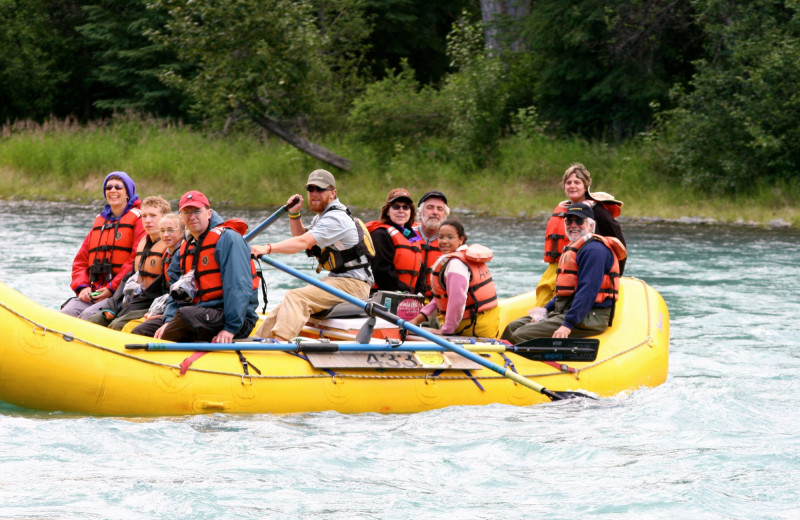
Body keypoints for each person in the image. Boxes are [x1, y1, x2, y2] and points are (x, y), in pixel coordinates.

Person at [251, 169, 374, 341]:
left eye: (320, 189)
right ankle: (256, 343)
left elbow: (302, 243)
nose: (314, 194)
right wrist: (294, 213)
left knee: (296, 297)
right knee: (283, 306)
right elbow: (300, 236)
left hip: (353, 285)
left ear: (333, 193)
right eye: (311, 189)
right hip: (338, 281)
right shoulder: (323, 217)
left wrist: (267, 248)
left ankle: (279, 343)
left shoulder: (336, 219)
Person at [503, 203, 627, 343]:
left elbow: (587, 292)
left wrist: (568, 325)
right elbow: (566, 293)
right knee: (513, 327)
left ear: (591, 226)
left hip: (589, 317)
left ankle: (518, 363)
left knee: (521, 334)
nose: (573, 225)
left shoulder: (594, 251)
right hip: (564, 311)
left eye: (579, 221)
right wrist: (544, 310)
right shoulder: (575, 248)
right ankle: (495, 359)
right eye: (569, 221)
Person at [148, 191, 259, 343]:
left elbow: (238, 286)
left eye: (197, 211)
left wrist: (230, 328)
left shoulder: (228, 239)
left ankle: (162, 349)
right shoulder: (185, 247)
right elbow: (176, 291)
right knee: (144, 329)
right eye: (186, 212)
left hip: (233, 318)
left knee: (186, 315)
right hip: (200, 311)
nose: (191, 216)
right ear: (181, 217)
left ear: (209, 213)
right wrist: (168, 319)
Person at [535, 163, 626, 307]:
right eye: (568, 182)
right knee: (544, 290)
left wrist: (615, 276)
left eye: (577, 182)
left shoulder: (597, 211)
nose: (572, 186)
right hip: (558, 265)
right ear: (564, 186)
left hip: (583, 264)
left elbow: (618, 242)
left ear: (586, 186)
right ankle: (540, 320)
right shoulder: (563, 208)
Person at [61, 171, 145, 318]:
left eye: (118, 187)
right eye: (108, 187)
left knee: (88, 315)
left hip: (119, 294)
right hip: (94, 291)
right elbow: (81, 261)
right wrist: (83, 287)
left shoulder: (139, 220)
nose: (113, 190)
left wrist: (111, 288)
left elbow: (134, 261)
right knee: (66, 313)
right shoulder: (99, 222)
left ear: (128, 193)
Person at [86, 197, 171, 330]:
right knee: (93, 320)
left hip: (151, 305)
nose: (148, 220)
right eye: (144, 216)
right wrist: (112, 306)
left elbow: (157, 290)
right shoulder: (143, 244)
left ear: (164, 218)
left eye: (153, 216)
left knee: (117, 325)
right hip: (134, 301)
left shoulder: (169, 247)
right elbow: (128, 278)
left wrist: (123, 312)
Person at [409, 219, 499, 338]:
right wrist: (416, 320)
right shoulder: (464, 258)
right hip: (485, 324)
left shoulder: (456, 264)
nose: (444, 241)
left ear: (461, 240)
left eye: (450, 237)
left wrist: (447, 330)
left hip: (473, 328)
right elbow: (441, 299)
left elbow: (457, 300)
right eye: (441, 237)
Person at [130, 213, 185, 336]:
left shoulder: (184, 256)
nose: (165, 235)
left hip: (181, 311)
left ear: (182, 232)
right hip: (165, 307)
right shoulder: (167, 254)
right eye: (162, 231)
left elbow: (182, 295)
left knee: (136, 328)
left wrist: (166, 315)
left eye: (171, 230)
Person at [366, 188, 423, 293]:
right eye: (396, 207)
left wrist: (420, 295)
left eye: (405, 207)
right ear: (387, 211)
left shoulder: (412, 235)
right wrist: (405, 292)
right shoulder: (380, 234)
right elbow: (381, 271)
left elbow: (420, 269)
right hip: (384, 294)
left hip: (408, 297)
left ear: (411, 212)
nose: (401, 211)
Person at [412, 191, 450, 298]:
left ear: (445, 214)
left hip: (437, 303)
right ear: (420, 212)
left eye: (440, 209)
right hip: (406, 300)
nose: (435, 212)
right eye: (430, 207)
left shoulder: (452, 241)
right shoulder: (407, 234)